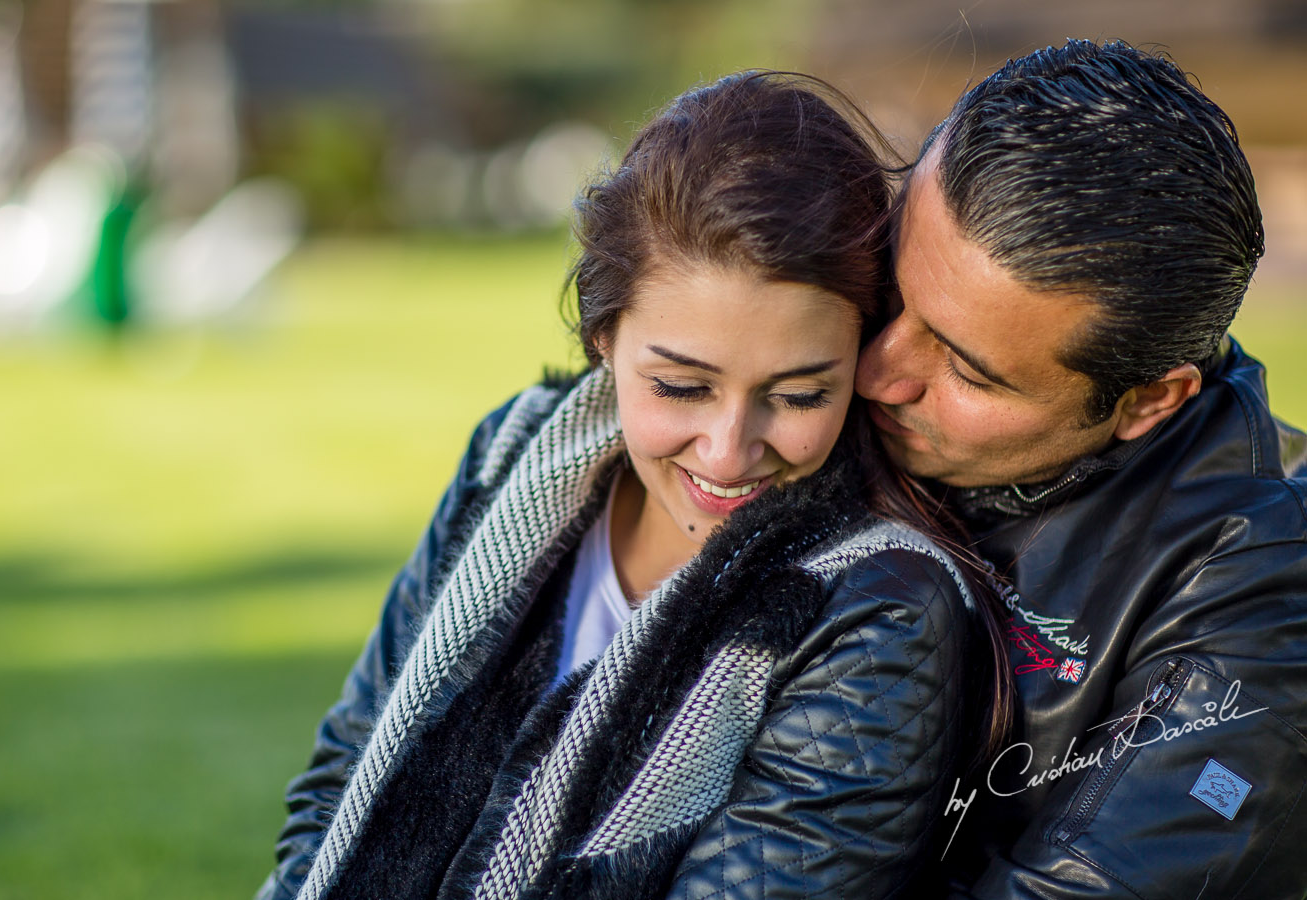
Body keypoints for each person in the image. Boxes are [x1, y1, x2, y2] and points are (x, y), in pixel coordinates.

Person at [255, 72, 1009, 900]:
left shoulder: (877, 607)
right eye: (682, 387)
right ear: (604, 337)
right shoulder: (515, 451)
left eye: (798, 396)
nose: (727, 454)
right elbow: (346, 776)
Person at [855, 39, 1307, 898]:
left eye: (969, 371)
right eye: (894, 284)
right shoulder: (809, 344)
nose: (875, 370)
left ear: (1146, 401)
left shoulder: (1261, 604)